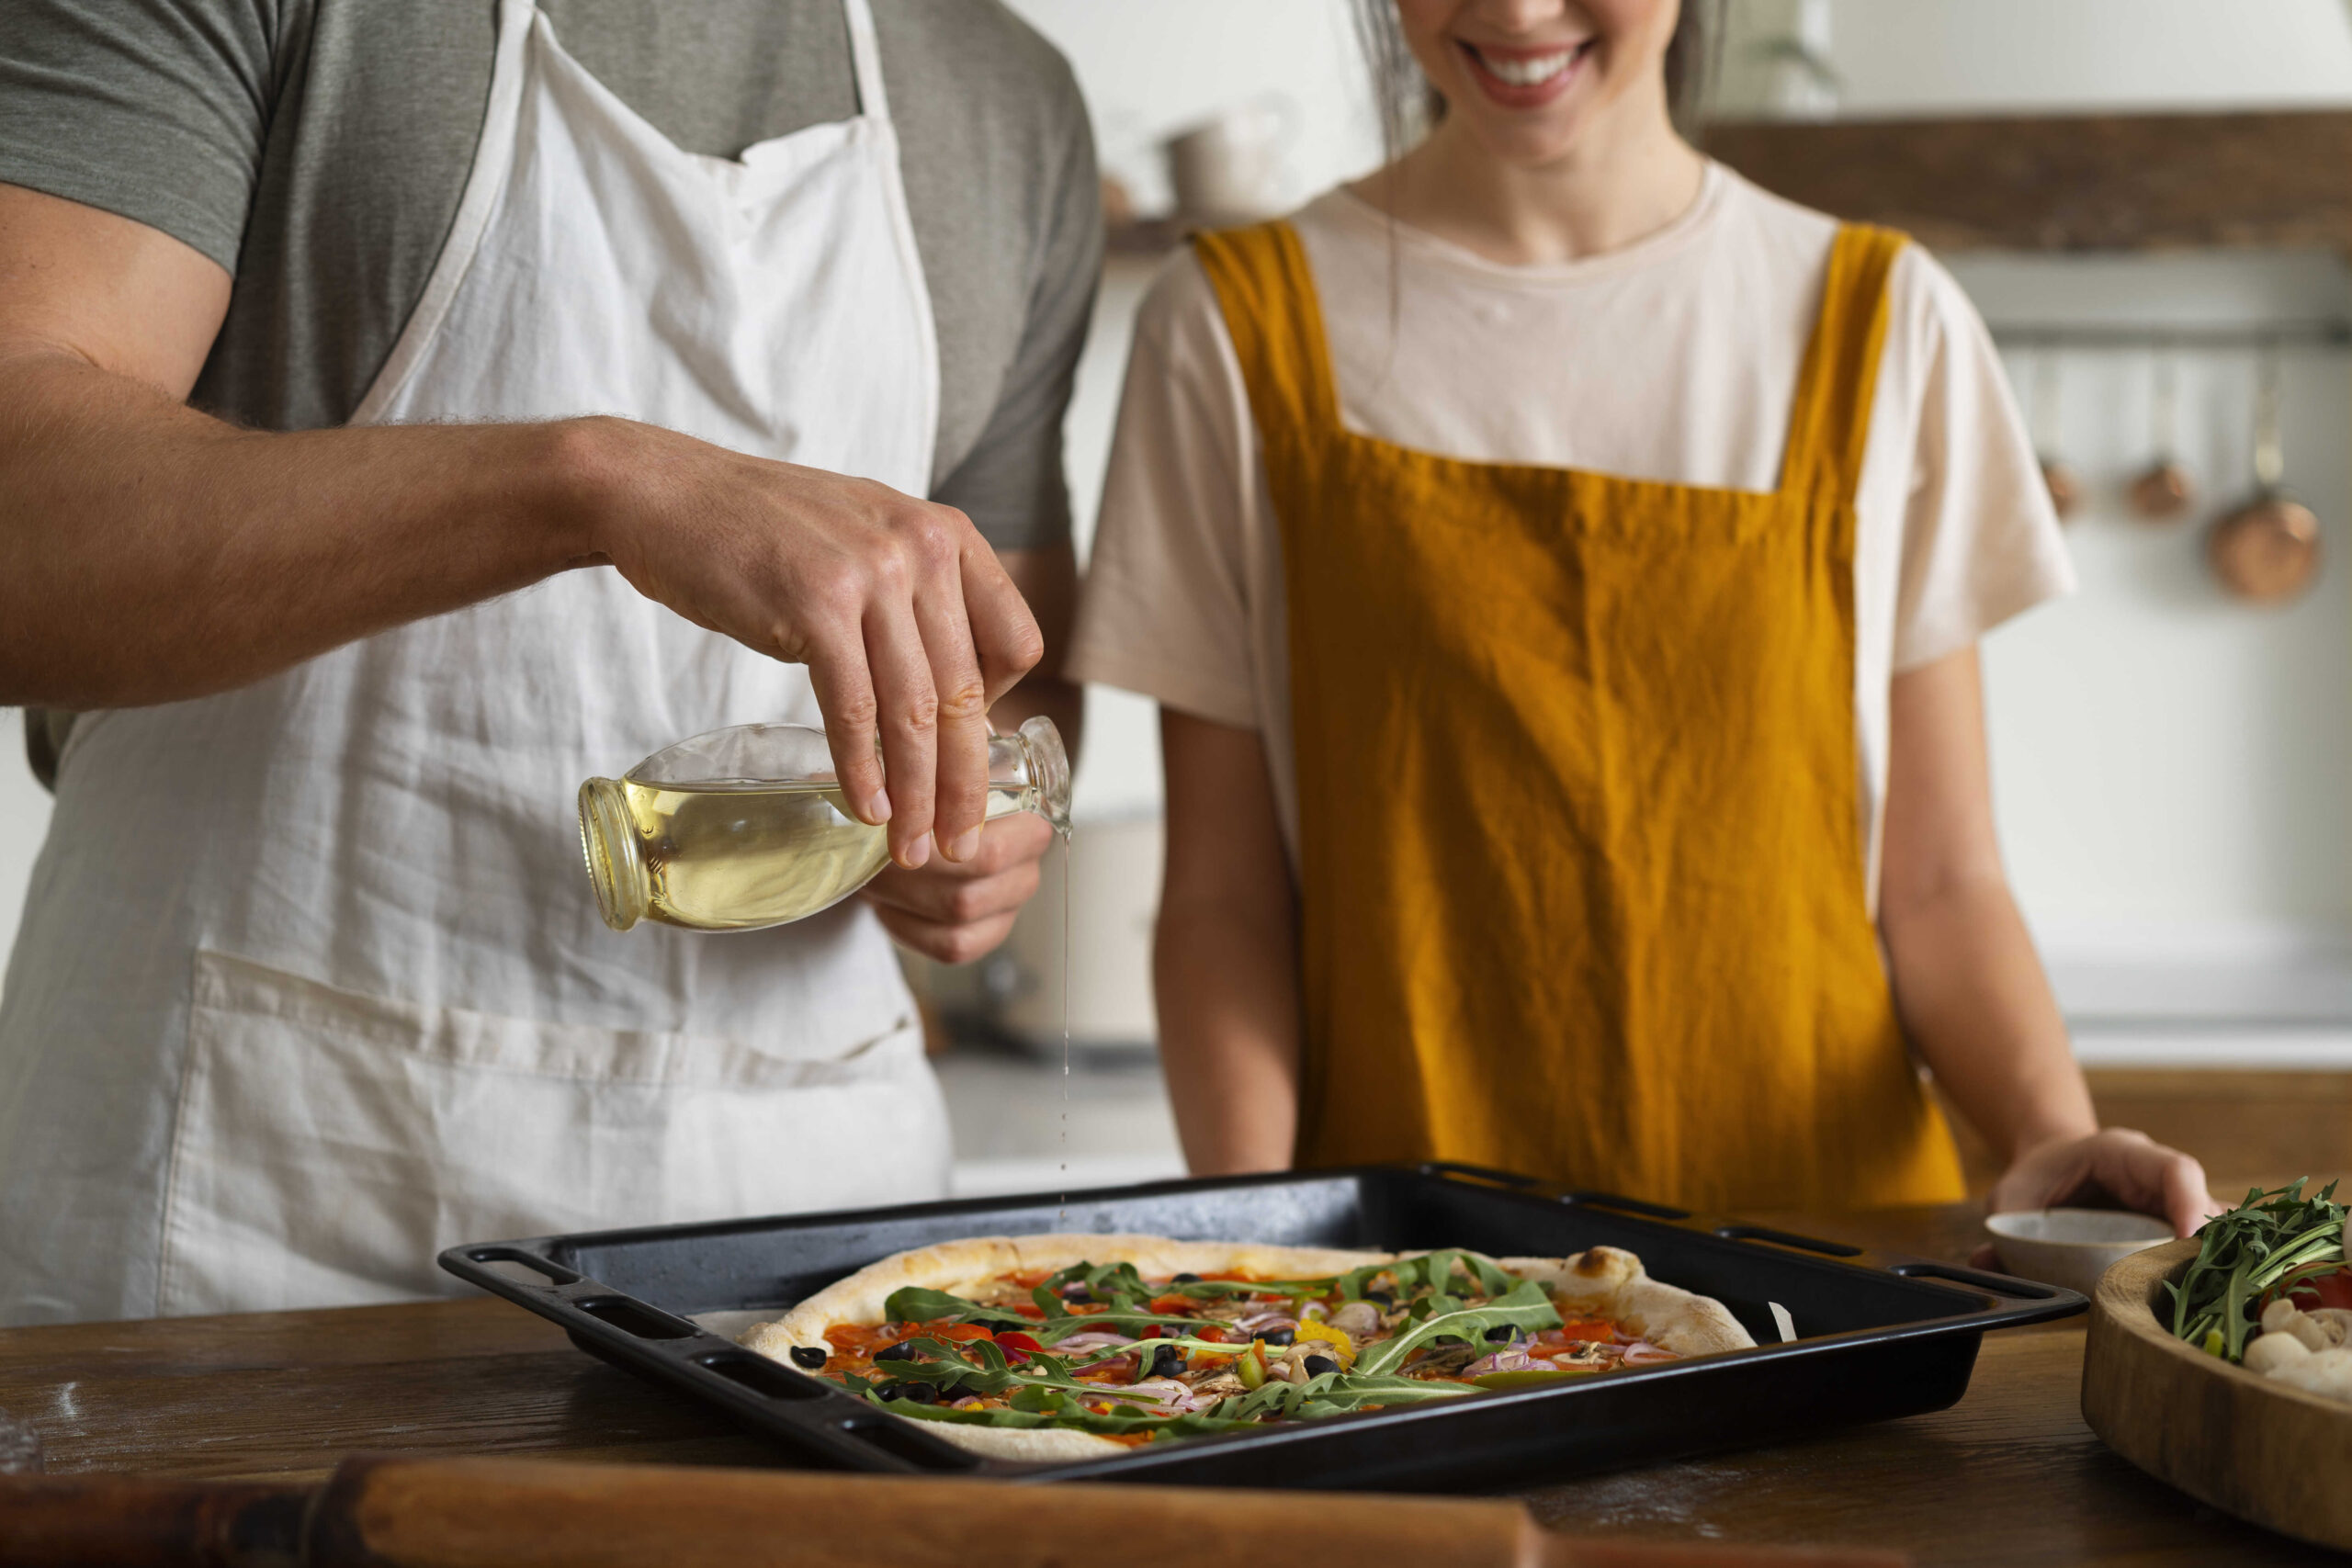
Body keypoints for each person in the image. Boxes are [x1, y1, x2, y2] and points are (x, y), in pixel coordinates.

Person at [0, 0, 1098, 1324]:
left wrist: (977, 839)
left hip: (791, 1246)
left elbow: (1010, 664)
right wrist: (591, 481)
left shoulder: (1007, 94)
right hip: (238, 1211)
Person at [1070, 0, 2218, 1234]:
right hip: (1414, 1310)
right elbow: (1224, 903)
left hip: (1831, 1281)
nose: (1515, 11)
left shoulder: (1883, 323)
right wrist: (1252, 1252)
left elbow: (1937, 883)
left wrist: (2053, 1133)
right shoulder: (1230, 329)